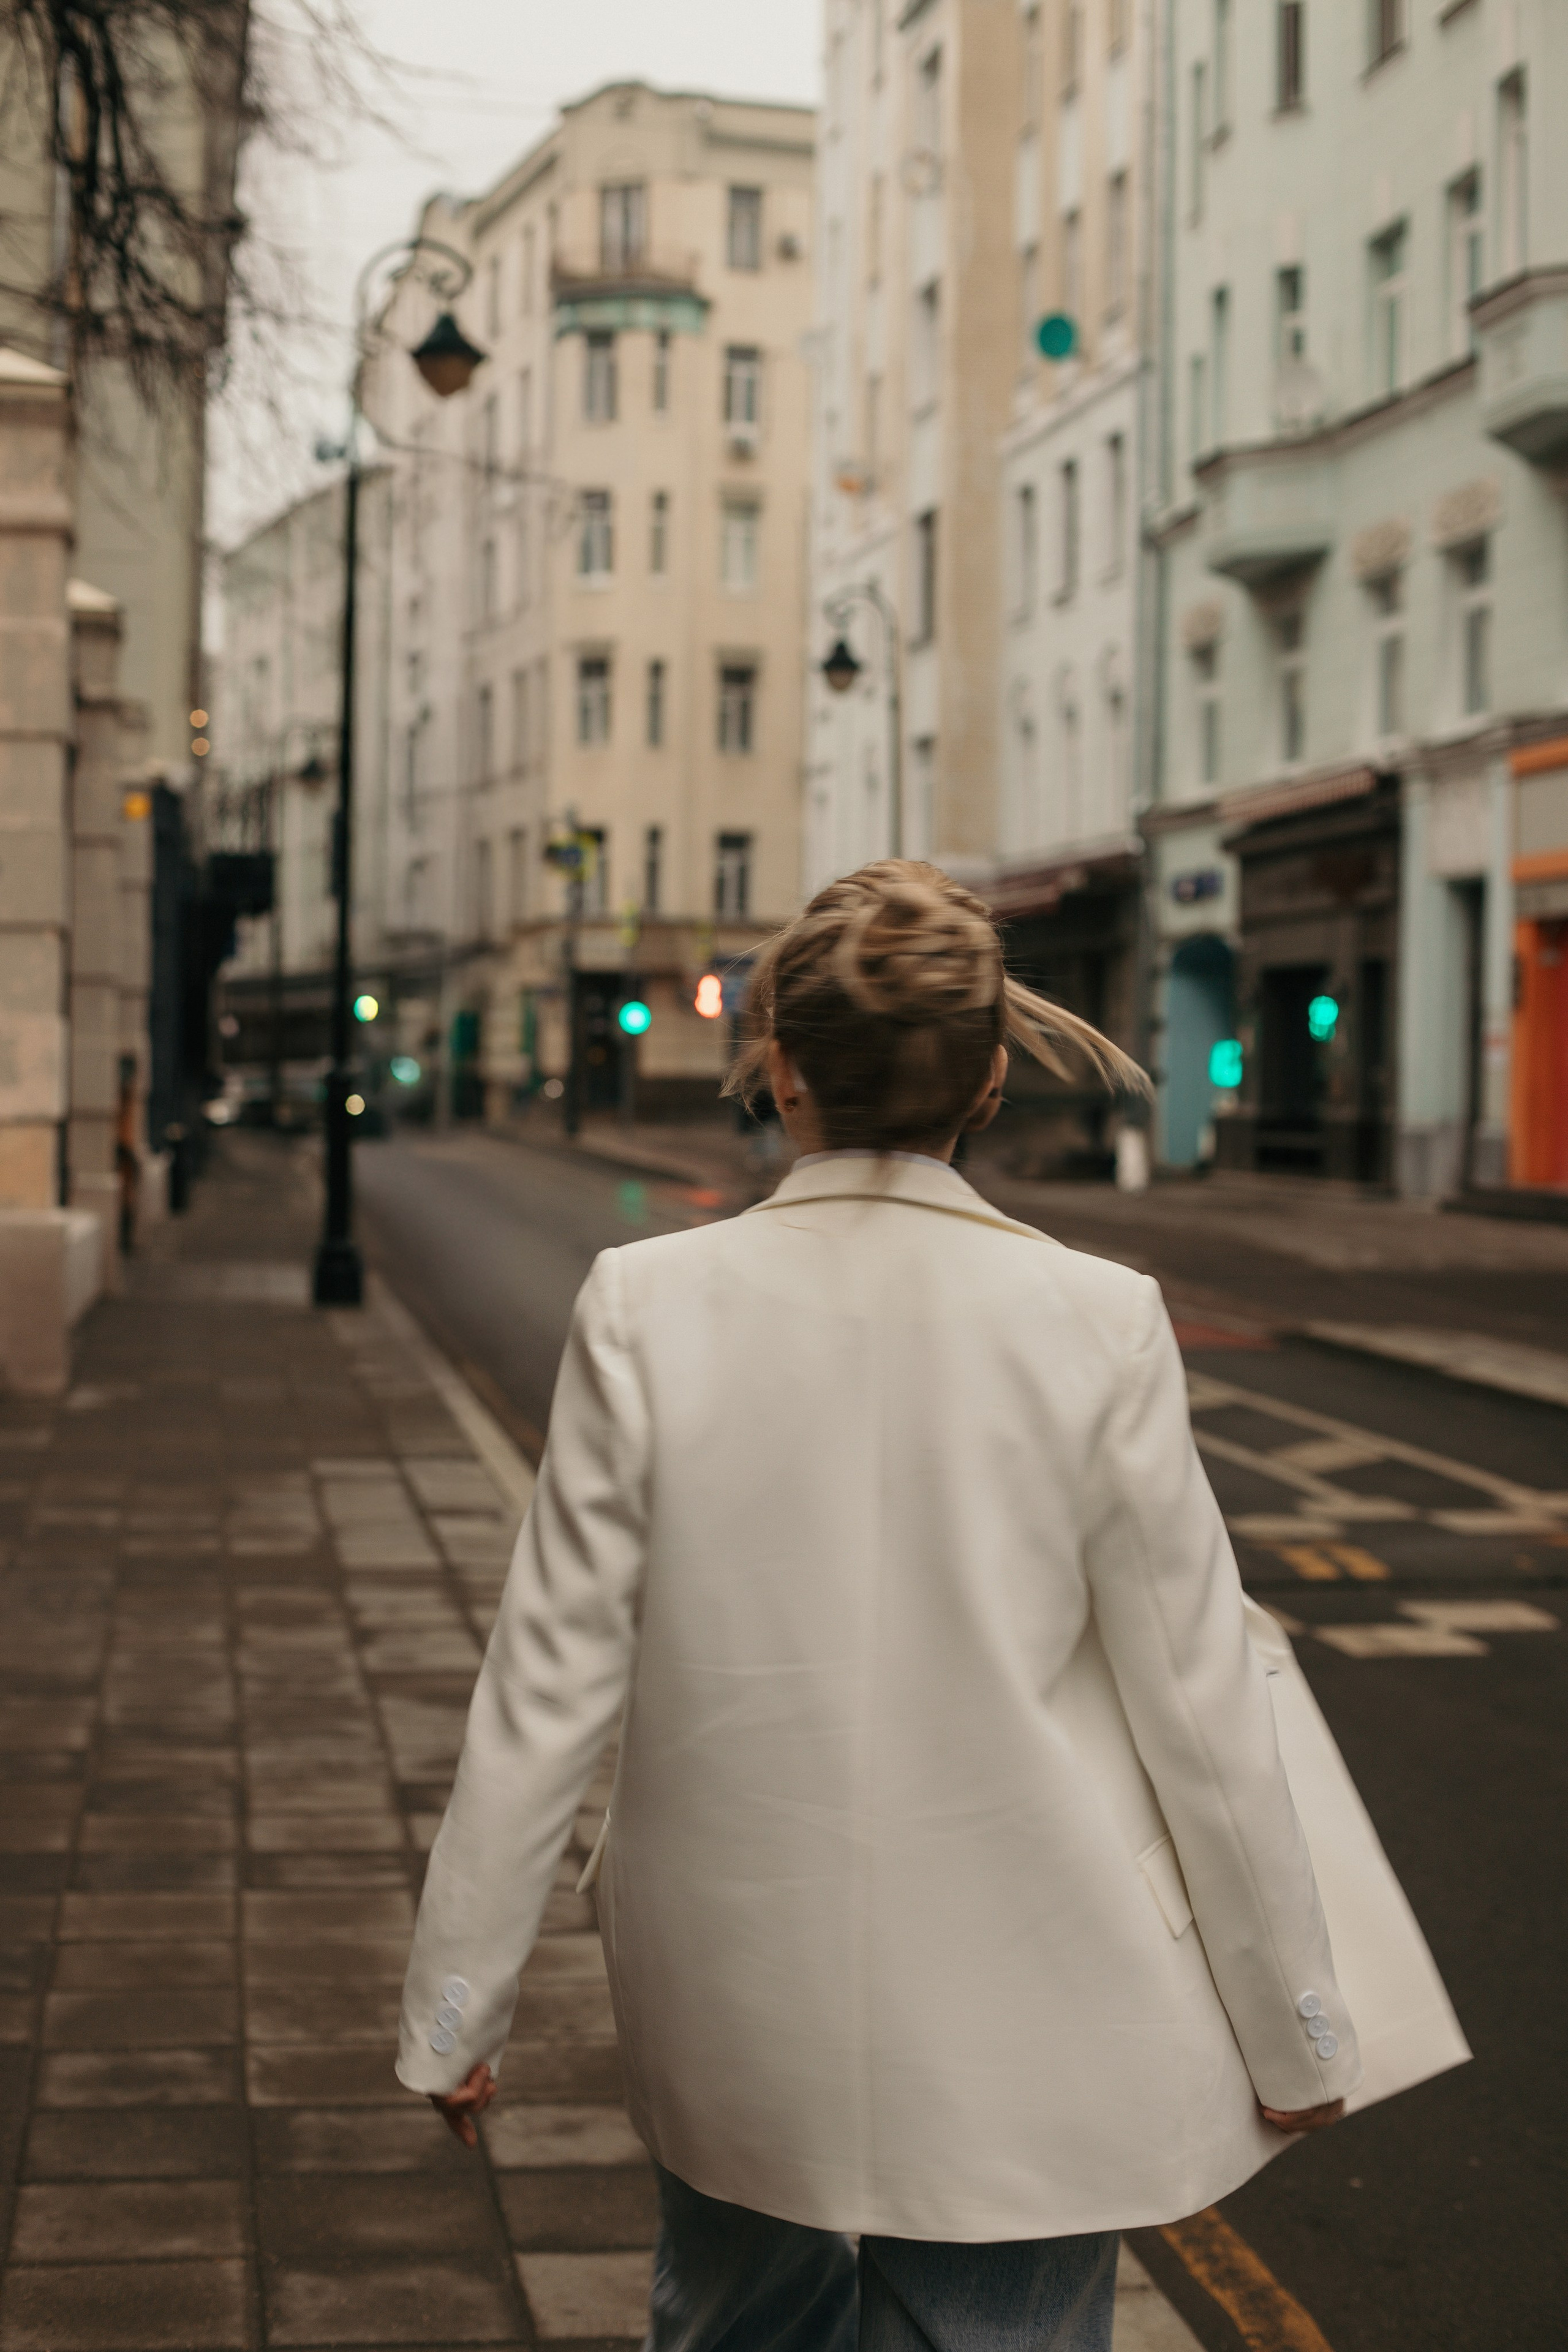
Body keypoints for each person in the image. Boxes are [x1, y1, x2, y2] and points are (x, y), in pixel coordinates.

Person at [396, 861, 1359, 2352]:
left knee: (735, 2328)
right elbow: (1199, 1708)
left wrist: (460, 2001)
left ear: (778, 1066)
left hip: (736, 1990)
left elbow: (549, 1683)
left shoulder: (644, 1304)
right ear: (986, 1082)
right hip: (1032, 2000)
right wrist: (1294, 2020)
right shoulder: (1094, 1321)